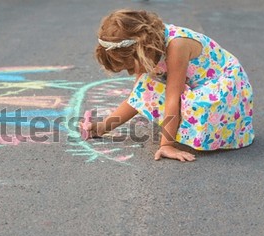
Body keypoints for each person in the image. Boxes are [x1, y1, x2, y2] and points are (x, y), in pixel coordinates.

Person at [81, 9, 254, 162]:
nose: (130, 73)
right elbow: (137, 96)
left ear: (141, 51)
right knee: (146, 86)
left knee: (173, 99)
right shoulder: (150, 43)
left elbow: (173, 99)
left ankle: (210, 133)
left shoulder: (177, 46)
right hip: (205, 87)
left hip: (226, 94)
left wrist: (166, 145)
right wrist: (102, 127)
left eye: (129, 67)